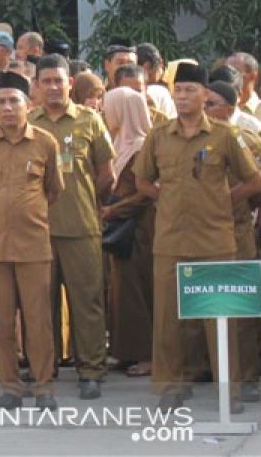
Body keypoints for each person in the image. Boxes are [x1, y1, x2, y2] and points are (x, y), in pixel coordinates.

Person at [134, 62, 261, 412]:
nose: (183, 96)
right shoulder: (159, 135)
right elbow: (142, 180)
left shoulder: (223, 135)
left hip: (215, 240)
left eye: (191, 90)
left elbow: (255, 181)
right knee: (168, 320)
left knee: (219, 319)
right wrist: (167, 197)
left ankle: (229, 392)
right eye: (179, 90)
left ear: (206, 94)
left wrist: (222, 200)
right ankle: (170, 388)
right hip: (170, 240)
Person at [0, 71, 63, 411]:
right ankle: (10, 386)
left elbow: (53, 189)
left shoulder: (45, 143)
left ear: (28, 104)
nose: (7, 108)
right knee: (1, 321)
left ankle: (44, 386)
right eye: (1, 102)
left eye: (13, 101)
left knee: (38, 320)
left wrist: (25, 214)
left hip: (33, 245)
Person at [29, 54, 114, 400]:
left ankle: (91, 369)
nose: (52, 87)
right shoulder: (27, 122)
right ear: (36, 86)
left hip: (81, 227)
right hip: (37, 231)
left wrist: (88, 200)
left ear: (69, 84)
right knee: (39, 305)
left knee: (87, 302)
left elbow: (107, 174)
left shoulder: (89, 120)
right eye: (46, 81)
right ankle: (43, 369)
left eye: (58, 81)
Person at [203, 79, 261, 402]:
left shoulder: (247, 139)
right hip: (202, 235)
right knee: (205, 306)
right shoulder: (194, 142)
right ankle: (215, 373)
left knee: (241, 311)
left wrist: (260, 228)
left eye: (211, 104)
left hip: (238, 232)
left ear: (229, 109)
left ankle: (246, 376)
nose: (204, 110)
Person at [101, 88, 155, 379]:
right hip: (122, 230)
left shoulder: (142, 147)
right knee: (121, 293)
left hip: (140, 230)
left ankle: (147, 354)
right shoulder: (121, 144)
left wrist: (113, 210)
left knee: (138, 293)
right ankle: (125, 351)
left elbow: (145, 194)